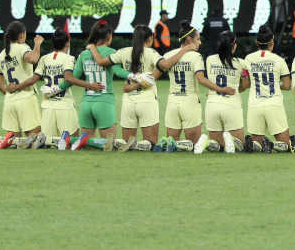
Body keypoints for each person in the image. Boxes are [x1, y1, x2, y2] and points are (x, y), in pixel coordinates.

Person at [88, 25, 192, 151]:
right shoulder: (151, 53)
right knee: (151, 144)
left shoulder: (123, 52)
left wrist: (92, 47)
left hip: (128, 102)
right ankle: (142, 144)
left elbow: (101, 62)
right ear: (150, 39)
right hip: (147, 101)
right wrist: (184, 49)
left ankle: (118, 142)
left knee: (127, 145)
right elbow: (165, 65)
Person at [62, 21, 131, 150]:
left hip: (86, 103)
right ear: (109, 36)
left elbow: (72, 78)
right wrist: (133, 76)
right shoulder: (112, 52)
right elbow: (117, 71)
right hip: (104, 102)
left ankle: (69, 139)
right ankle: (71, 139)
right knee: (109, 144)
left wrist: (57, 88)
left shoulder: (84, 54)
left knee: (86, 144)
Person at [159, 21, 223, 153]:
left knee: (172, 147)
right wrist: (219, 89)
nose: (200, 43)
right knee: (195, 147)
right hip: (190, 102)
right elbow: (200, 79)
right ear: (189, 39)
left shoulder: (168, 55)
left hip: (172, 103)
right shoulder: (196, 56)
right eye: (198, 39)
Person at [0, 21, 43, 149]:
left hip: (9, 102)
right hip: (26, 99)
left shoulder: (0, 56)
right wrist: (37, 44)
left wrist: (9, 90)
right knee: (35, 140)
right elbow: (33, 58)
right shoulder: (22, 47)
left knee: (15, 143)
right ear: (21, 35)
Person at [243, 25, 293, 152]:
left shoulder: (248, 59)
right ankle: (272, 145)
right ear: (272, 42)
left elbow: (246, 84)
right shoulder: (279, 60)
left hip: (255, 104)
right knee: (285, 146)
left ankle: (264, 145)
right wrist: (275, 86)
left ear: (257, 42)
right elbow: (287, 85)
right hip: (274, 104)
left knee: (256, 147)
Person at [203, 31, 250, 153]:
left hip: (212, 105)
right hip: (231, 106)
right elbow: (245, 85)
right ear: (234, 46)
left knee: (217, 147)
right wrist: (237, 89)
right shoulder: (241, 63)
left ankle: (210, 143)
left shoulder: (209, 60)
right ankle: (230, 141)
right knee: (240, 146)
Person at [32, 30, 78, 148]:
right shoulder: (69, 58)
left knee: (48, 143)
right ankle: (63, 139)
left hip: (47, 106)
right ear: (67, 43)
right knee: (73, 140)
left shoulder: (44, 58)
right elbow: (70, 79)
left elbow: (34, 78)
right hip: (65, 105)